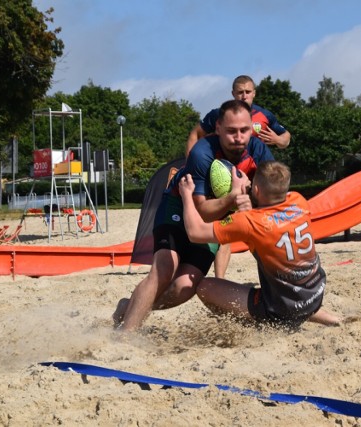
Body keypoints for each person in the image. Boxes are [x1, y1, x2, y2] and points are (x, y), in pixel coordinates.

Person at [114, 99, 275, 332]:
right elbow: (202, 210)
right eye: (231, 131)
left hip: (215, 217)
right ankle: (126, 335)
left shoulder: (259, 151)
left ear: (252, 127)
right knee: (164, 270)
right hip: (178, 208)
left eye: (244, 130)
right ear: (218, 128)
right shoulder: (202, 153)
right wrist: (232, 198)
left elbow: (271, 197)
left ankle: (130, 306)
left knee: (184, 288)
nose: (238, 137)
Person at [179, 160, 341, 328]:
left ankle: (254, 327)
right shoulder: (299, 201)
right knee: (291, 288)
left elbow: (195, 233)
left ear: (255, 189)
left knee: (205, 287)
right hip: (314, 295)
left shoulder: (249, 222)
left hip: (282, 309)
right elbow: (268, 222)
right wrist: (249, 209)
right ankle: (330, 318)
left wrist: (187, 196)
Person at [186, 75, 291, 279]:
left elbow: (286, 138)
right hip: (223, 174)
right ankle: (220, 279)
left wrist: (277, 139)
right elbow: (194, 135)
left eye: (248, 92)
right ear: (233, 94)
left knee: (261, 229)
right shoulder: (219, 115)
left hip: (254, 177)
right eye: (240, 92)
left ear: (254, 93)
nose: (244, 96)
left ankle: (277, 276)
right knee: (226, 230)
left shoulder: (265, 115)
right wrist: (190, 166)